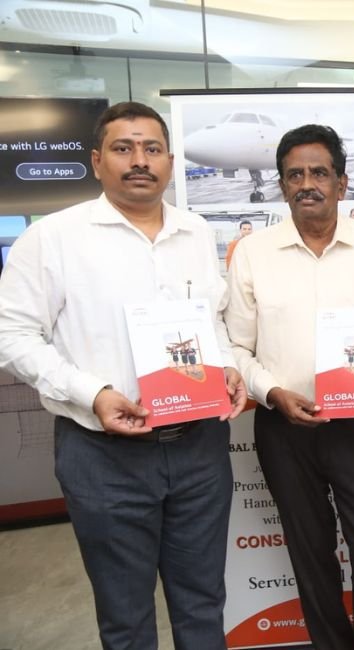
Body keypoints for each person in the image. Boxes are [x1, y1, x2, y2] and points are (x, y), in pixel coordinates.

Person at [0, 101, 247, 650]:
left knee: (203, 604)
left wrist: (227, 364)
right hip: (103, 456)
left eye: (152, 149)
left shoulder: (195, 232)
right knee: (126, 617)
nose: (140, 160)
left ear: (170, 162)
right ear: (96, 160)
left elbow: (212, 320)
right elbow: (11, 336)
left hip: (199, 449)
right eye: (123, 148)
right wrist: (92, 393)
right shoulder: (54, 238)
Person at [224, 123, 354, 650]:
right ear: (282, 185)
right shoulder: (252, 253)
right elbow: (236, 347)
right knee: (310, 556)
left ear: (341, 183)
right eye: (295, 175)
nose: (307, 184)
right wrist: (272, 393)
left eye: (319, 173)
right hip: (285, 428)